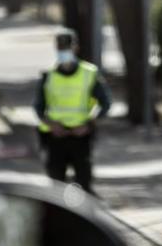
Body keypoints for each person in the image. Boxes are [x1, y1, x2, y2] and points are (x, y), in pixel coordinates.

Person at [34, 29, 111, 193]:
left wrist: (89, 125)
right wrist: (51, 124)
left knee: (84, 184)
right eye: (60, 48)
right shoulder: (48, 76)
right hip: (55, 137)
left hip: (80, 137)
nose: (64, 52)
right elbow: (38, 107)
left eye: (67, 48)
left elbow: (105, 103)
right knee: (55, 187)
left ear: (76, 48)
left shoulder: (89, 73)